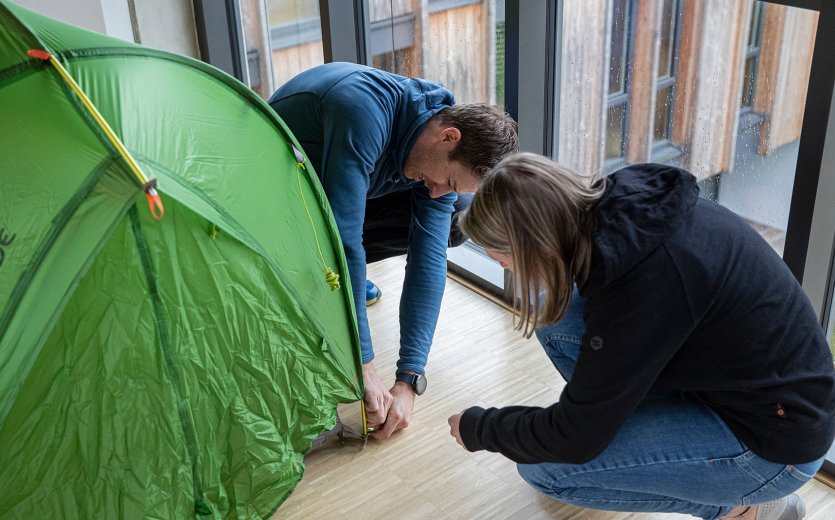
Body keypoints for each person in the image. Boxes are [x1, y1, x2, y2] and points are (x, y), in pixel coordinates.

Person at [447, 153, 835, 519]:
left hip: (775, 446)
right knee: (558, 320)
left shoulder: (639, 287)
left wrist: (481, 427)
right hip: (747, 392)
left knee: (547, 470)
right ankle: (640, 433)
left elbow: (575, 438)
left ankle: (746, 511)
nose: (503, 266)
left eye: (501, 256)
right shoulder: (625, 213)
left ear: (534, 243)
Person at [269, 62, 518, 440]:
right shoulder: (363, 111)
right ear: (448, 137)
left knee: (452, 218)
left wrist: (410, 379)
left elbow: (429, 260)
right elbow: (344, 237)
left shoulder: (431, 145)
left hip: (334, 190)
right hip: (278, 197)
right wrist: (363, 364)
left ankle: (342, 292)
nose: (439, 191)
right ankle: (325, 286)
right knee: (339, 251)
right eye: (450, 179)